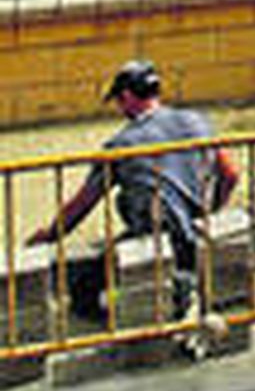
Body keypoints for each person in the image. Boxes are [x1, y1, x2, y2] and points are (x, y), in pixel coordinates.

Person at [29, 59, 238, 323]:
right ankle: (184, 295)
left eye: (119, 101)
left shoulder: (123, 145)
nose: (119, 108)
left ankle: (120, 327)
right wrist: (212, 210)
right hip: (192, 224)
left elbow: (84, 203)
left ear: (127, 96)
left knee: (84, 288)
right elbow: (231, 174)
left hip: (156, 230)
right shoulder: (196, 121)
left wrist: (50, 234)